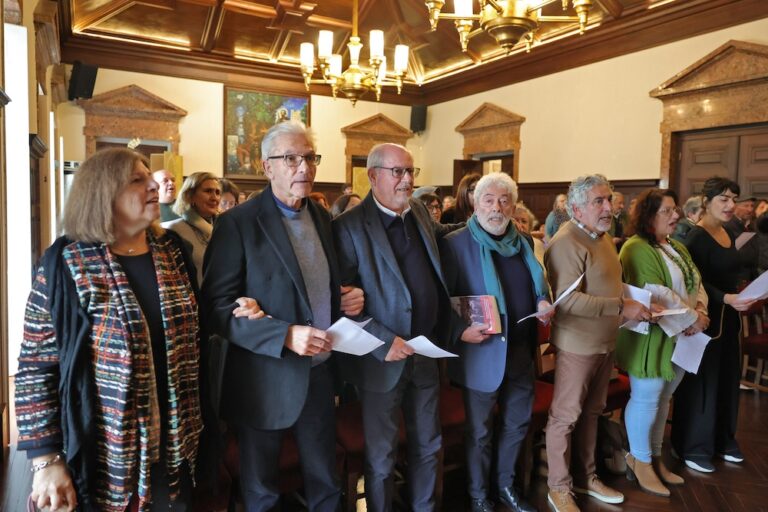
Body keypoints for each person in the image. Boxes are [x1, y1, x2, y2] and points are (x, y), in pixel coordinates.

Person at [16, 148, 206, 511]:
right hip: (104, 453)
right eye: (137, 180)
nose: (153, 185)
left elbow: (198, 335)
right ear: (102, 194)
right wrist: (46, 460)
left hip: (179, 444)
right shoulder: (65, 264)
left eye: (149, 176)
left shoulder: (173, 251)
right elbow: (36, 368)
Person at [202, 121, 364, 511]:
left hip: (319, 373)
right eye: (291, 158)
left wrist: (347, 296)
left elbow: (318, 283)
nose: (304, 167)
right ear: (267, 166)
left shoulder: (321, 217)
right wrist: (283, 334)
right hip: (263, 378)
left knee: (326, 482)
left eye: (309, 157)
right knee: (262, 491)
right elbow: (216, 307)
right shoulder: (237, 223)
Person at [333, 143, 459, 512]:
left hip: (424, 352)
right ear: (373, 176)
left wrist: (486, 218)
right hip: (382, 360)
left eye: (410, 171)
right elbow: (341, 303)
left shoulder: (417, 210)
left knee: (429, 445)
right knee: (382, 456)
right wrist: (384, 340)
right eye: (397, 172)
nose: (407, 180)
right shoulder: (348, 227)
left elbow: (444, 236)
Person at [440, 173, 554, 512]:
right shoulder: (456, 244)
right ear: (475, 204)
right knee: (480, 432)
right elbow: (439, 299)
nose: (496, 208)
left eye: (504, 201)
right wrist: (459, 330)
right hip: (481, 354)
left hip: (520, 351)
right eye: (488, 200)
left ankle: (505, 486)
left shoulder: (523, 241)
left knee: (516, 424)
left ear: (514, 206)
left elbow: (537, 285)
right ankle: (478, 495)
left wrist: (543, 301)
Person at [544, 174, 650, 512]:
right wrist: (621, 306)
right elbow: (566, 301)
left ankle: (585, 476)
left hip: (605, 340)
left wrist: (634, 304)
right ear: (577, 208)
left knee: (592, 412)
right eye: (598, 202)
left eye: (608, 199)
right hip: (577, 344)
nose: (608, 208)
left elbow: (606, 285)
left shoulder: (602, 237)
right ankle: (558, 487)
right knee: (565, 416)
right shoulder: (566, 241)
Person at [616, 188, 710, 497]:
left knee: (664, 397)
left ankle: (655, 456)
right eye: (667, 211)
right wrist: (691, 319)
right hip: (651, 336)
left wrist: (701, 311)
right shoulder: (636, 247)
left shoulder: (675, 246)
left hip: (682, 333)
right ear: (648, 216)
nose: (676, 215)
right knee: (647, 396)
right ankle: (639, 459)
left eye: (675, 209)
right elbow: (656, 292)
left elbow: (696, 282)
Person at [672, 177, 757, 473]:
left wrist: (743, 292)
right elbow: (694, 281)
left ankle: (723, 439)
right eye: (724, 199)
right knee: (703, 383)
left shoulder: (728, 231)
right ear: (706, 202)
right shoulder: (696, 237)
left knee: (727, 379)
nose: (731, 205)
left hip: (729, 317)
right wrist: (726, 297)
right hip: (704, 318)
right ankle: (693, 446)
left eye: (734, 198)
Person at [163, 172, 221, 285]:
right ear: (190, 196)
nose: (214, 198)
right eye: (208, 191)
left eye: (217, 192)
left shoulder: (223, 228)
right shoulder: (173, 230)